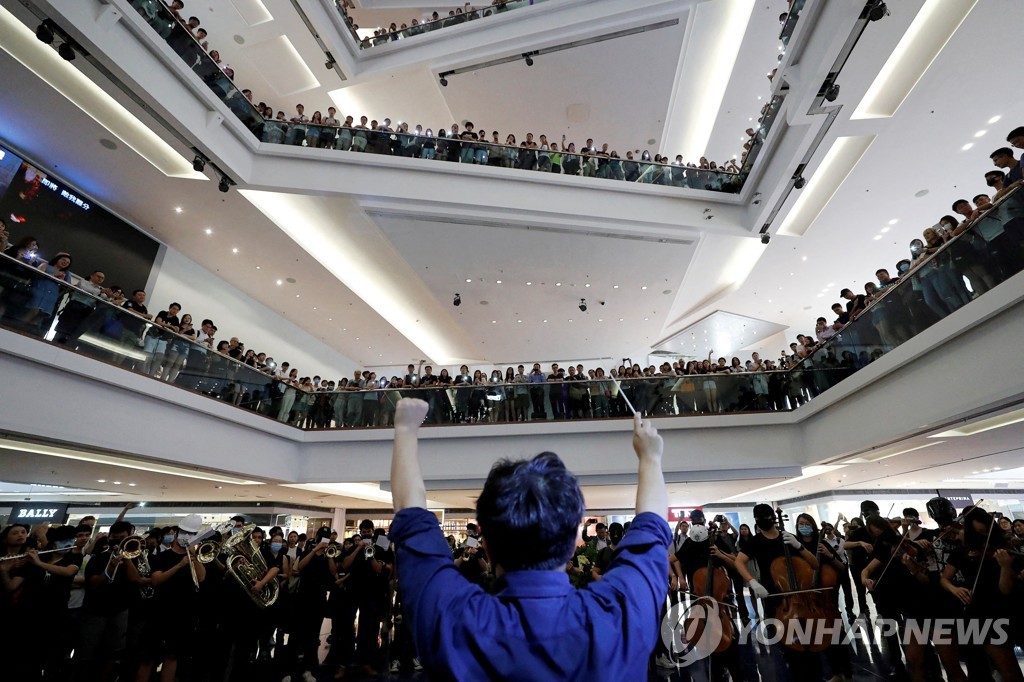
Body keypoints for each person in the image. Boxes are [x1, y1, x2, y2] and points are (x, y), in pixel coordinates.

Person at [387, 398, 669, 680]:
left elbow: (412, 517)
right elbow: (651, 528)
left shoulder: (454, 619)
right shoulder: (618, 615)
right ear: (574, 541)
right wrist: (651, 458)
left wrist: (404, 429)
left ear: (485, 542)